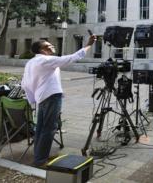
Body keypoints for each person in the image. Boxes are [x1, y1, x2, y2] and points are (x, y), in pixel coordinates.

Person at [21, 35, 96, 167]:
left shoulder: (31, 62)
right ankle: (40, 160)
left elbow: (25, 83)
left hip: (42, 98)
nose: (52, 46)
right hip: (51, 96)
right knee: (49, 128)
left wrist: (33, 98)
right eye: (49, 45)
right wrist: (89, 44)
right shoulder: (45, 60)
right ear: (43, 50)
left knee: (41, 128)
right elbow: (71, 58)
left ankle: (38, 155)